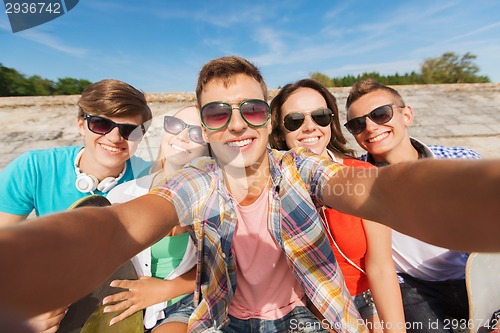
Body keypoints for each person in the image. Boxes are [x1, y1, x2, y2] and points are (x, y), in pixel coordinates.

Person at [0, 56, 499, 333]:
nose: (237, 124)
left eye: (252, 109)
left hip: (308, 313)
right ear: (206, 126)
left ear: (268, 116)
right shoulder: (197, 183)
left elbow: (380, 192)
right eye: (218, 113)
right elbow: (125, 224)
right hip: (222, 319)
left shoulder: (303, 171)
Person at [0, 78, 152, 332]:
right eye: (101, 123)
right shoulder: (33, 168)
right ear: (81, 124)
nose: (115, 138)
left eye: (129, 130)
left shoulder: (151, 179)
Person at [344, 79, 482, 333]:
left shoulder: (463, 161)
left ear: (406, 114)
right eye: (358, 124)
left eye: (380, 114)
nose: (371, 127)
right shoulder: (356, 181)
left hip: (476, 275)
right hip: (413, 288)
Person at [269, 78, 405, 333]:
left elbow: (381, 267)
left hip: (362, 302)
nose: (310, 127)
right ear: (280, 131)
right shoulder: (269, 187)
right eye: (295, 120)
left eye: (320, 116)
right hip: (300, 308)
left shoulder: (364, 175)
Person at [105, 105, 209, 332]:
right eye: (175, 125)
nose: (181, 136)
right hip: (126, 303)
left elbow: (220, 269)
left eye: (196, 132)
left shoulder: (214, 199)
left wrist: (164, 290)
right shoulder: (123, 194)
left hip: (184, 303)